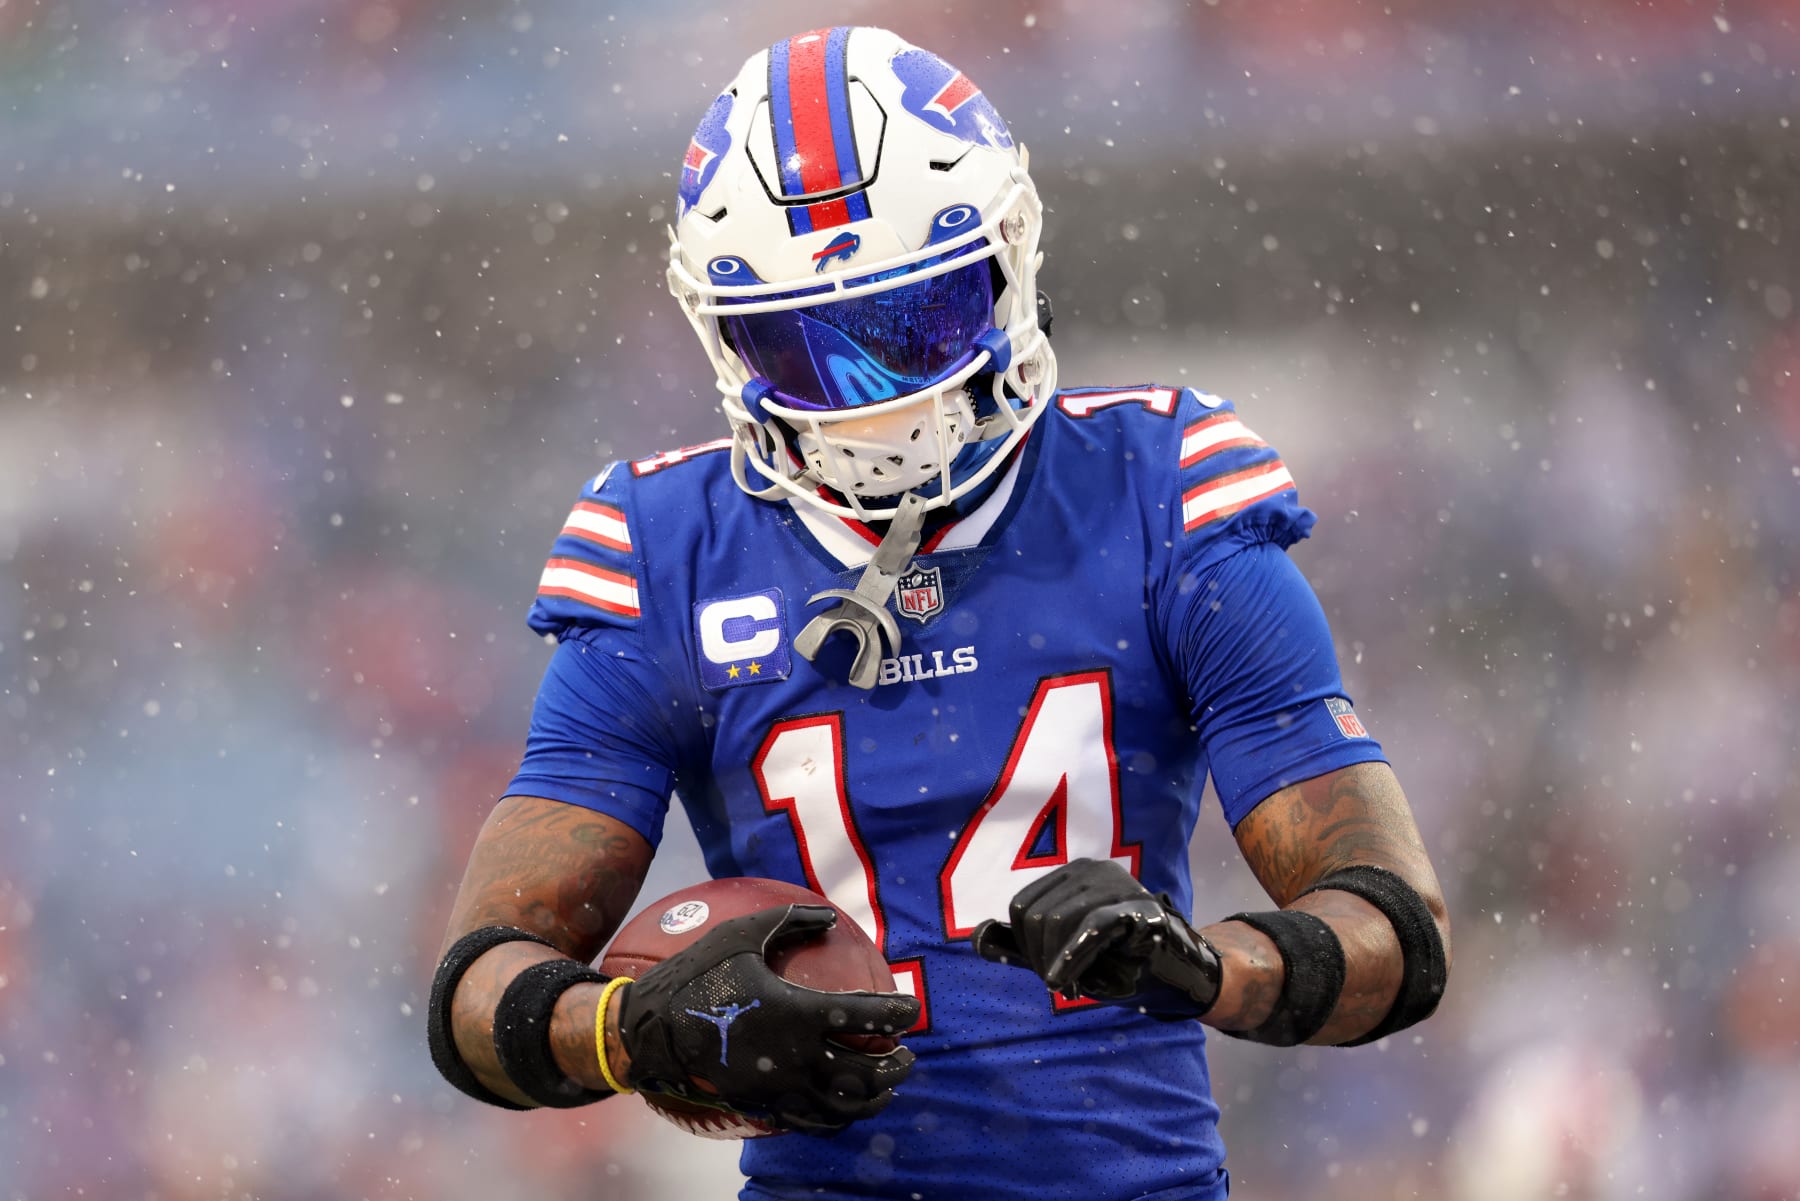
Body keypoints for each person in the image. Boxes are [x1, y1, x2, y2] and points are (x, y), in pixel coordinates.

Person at [429, 25, 1451, 1201]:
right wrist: (634, 1027)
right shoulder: (668, 550)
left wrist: (1206, 966)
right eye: (810, 349)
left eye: (914, 318)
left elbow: (1397, 931)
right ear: (726, 336)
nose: (878, 396)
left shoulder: (1163, 490)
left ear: (1008, 259)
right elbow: (474, 989)